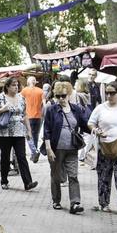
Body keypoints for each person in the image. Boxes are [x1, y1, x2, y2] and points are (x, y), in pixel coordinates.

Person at [43, 79, 91, 213]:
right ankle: (56, 200)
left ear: (69, 95)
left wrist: (95, 130)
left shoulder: (76, 109)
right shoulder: (51, 109)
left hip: (72, 148)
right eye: (58, 96)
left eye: (63, 96)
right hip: (56, 148)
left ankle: (75, 203)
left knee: (73, 176)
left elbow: (84, 124)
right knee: (57, 176)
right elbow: (46, 130)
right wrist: (48, 149)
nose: (61, 99)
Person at [0, 76, 37, 191]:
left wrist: (28, 131)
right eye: (13, 85)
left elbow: (25, 115)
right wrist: (3, 109)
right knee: (5, 156)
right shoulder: (0, 98)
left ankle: (28, 182)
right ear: (7, 87)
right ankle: (4, 180)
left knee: (21, 156)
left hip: (19, 131)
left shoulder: (21, 98)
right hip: (4, 132)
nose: (16, 87)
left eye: (17, 85)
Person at [89, 83, 117, 214]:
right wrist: (96, 130)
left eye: (112, 93)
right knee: (104, 177)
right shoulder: (100, 108)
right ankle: (103, 203)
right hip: (105, 147)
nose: (109, 95)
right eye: (107, 93)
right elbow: (90, 123)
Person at [22, 75, 46, 162]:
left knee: (28, 135)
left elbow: (21, 102)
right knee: (35, 135)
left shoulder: (24, 91)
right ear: (35, 82)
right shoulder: (41, 91)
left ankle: (34, 151)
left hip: (28, 116)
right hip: (38, 117)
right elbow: (45, 104)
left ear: (28, 82)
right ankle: (34, 154)